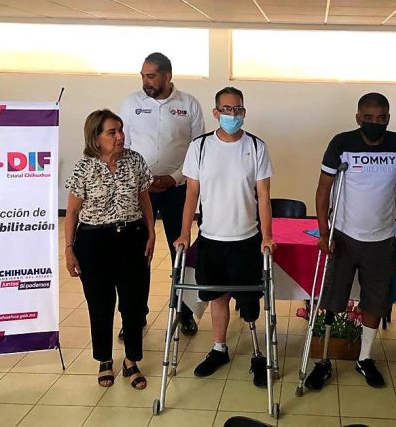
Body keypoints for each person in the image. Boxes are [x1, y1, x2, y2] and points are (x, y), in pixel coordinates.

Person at [313, 92, 396, 389]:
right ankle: (324, 359)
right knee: (333, 299)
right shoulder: (342, 143)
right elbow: (323, 188)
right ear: (358, 118)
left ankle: (365, 358)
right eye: (368, 118)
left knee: (375, 301)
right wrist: (324, 232)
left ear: (388, 118)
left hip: (382, 237)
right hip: (344, 234)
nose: (375, 123)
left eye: (381, 118)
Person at [174, 86, 275, 388]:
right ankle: (220, 348)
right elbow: (192, 193)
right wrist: (184, 233)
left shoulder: (256, 146)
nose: (233, 114)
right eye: (227, 109)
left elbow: (264, 195)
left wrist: (267, 236)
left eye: (238, 109)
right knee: (217, 296)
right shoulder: (200, 147)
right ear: (216, 113)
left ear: (244, 111)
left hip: (246, 238)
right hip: (211, 238)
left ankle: (257, 353)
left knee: (249, 301)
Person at [64, 109, 155, 390]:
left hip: (132, 237)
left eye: (120, 130)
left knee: (133, 303)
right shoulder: (84, 166)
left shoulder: (135, 160)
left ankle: (131, 360)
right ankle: (104, 359)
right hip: (93, 241)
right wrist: (69, 248)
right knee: (100, 303)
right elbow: (72, 212)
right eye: (112, 132)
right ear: (96, 137)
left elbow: (144, 199)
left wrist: (151, 232)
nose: (119, 136)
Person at [120, 52, 205, 337]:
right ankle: (135, 316)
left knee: (180, 251)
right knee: (137, 254)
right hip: (139, 191)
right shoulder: (131, 103)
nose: (146, 82)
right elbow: (123, 146)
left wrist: (174, 178)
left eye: (151, 76)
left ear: (167, 76)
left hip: (177, 191)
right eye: (143, 76)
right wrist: (140, 180)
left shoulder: (189, 104)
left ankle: (185, 312)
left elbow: (197, 149)